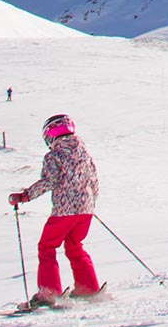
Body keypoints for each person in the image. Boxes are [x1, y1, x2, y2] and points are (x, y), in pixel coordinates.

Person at [9, 113, 103, 306]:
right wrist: (89, 203)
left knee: (47, 247)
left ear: (49, 136)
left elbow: (50, 181)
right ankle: (88, 288)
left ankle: (49, 293)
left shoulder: (54, 155)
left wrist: (25, 196)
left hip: (64, 211)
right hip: (85, 211)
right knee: (74, 245)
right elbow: (94, 180)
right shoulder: (84, 153)